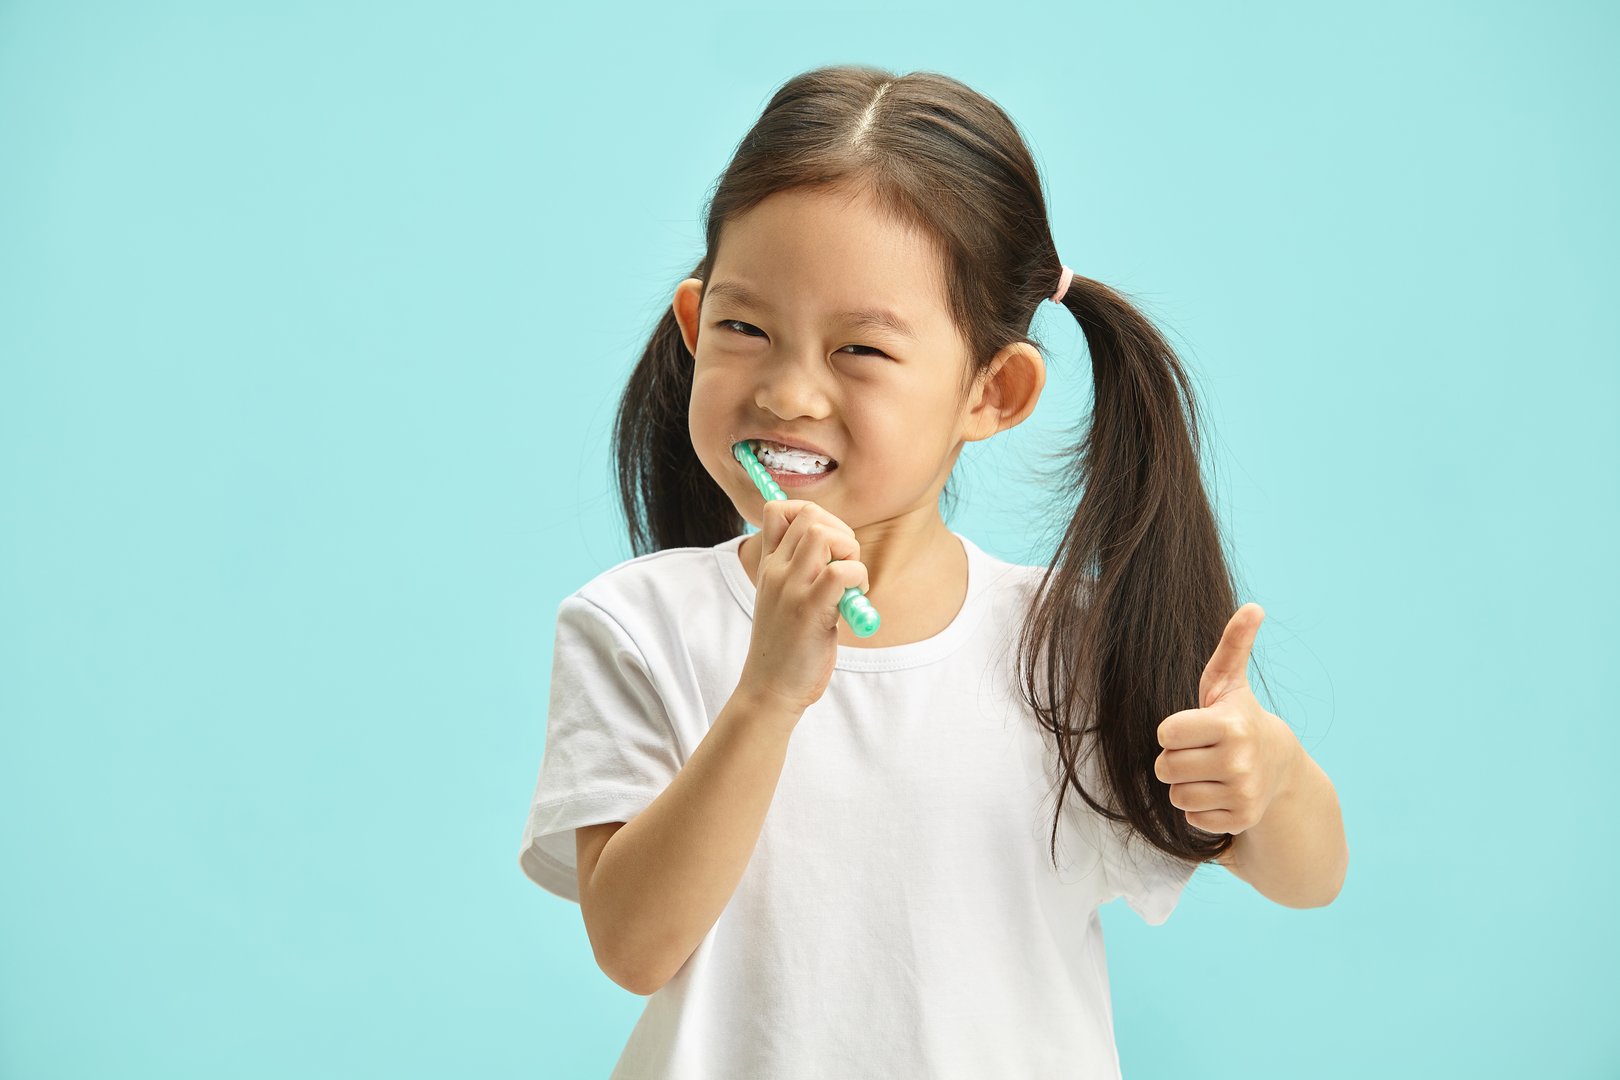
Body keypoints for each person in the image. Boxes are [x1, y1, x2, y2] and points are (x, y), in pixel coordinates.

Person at [517, 64, 1348, 1080]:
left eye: (860, 349)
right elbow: (634, 946)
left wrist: (1270, 778)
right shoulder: (636, 625)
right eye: (744, 329)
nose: (787, 391)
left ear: (993, 393)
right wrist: (766, 698)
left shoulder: (1065, 648)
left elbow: (1311, 878)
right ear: (694, 328)